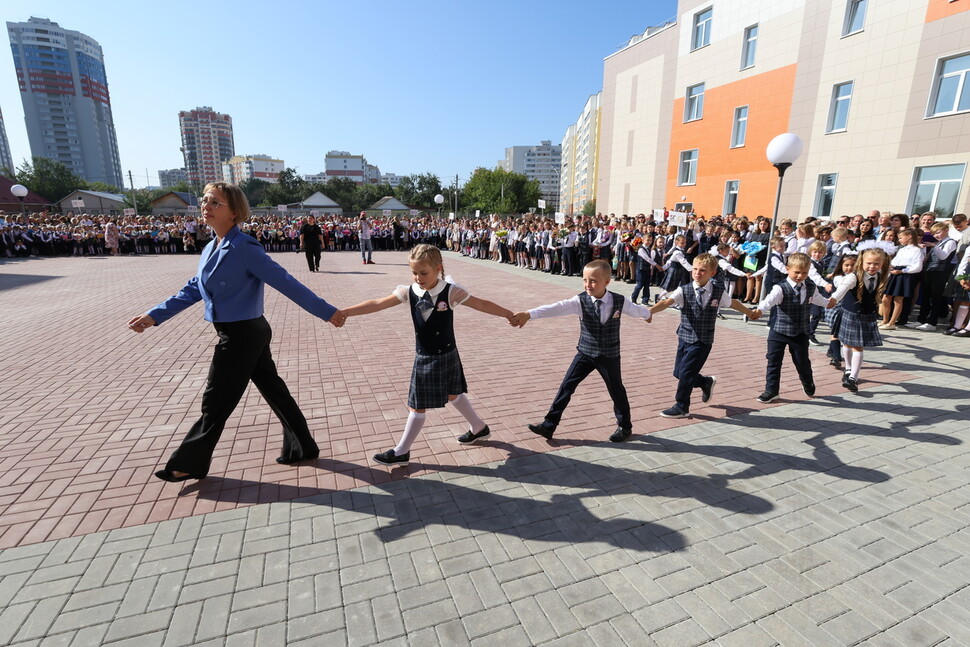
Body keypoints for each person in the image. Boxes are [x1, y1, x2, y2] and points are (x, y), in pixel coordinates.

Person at [127, 183, 346, 483]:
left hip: (243, 336)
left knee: (215, 400)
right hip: (243, 332)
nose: (206, 206)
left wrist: (327, 312)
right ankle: (303, 446)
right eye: (205, 200)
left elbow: (286, 282)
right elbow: (195, 288)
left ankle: (188, 463)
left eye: (215, 203)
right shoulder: (210, 247)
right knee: (275, 392)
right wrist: (155, 315)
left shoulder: (244, 247)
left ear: (234, 212)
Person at [341, 244, 515, 465]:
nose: (418, 277)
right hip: (424, 356)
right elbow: (377, 303)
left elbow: (480, 303)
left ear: (438, 268)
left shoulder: (451, 291)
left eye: (423, 273)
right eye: (414, 272)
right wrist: (346, 312)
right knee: (453, 394)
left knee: (418, 405)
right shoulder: (409, 291)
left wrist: (508, 314)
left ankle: (401, 451)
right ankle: (479, 428)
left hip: (446, 354)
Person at [510, 259, 653, 442]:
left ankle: (625, 427)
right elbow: (556, 308)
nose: (588, 284)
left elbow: (636, 310)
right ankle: (549, 425)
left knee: (616, 390)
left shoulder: (619, 300)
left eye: (593, 280)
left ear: (607, 282)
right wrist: (529, 314)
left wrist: (648, 315)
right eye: (585, 280)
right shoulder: (579, 300)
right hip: (585, 352)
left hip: (609, 355)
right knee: (567, 386)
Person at [649, 254, 758, 418]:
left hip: (703, 340)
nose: (697, 273)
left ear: (712, 273)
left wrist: (749, 312)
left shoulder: (718, 292)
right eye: (695, 269)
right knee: (679, 373)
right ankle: (705, 382)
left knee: (685, 373)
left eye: (703, 270)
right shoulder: (683, 290)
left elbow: (733, 303)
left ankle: (681, 406)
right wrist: (647, 312)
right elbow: (666, 302)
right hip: (685, 337)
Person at [749, 253, 836, 402]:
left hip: (800, 332)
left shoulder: (810, 286)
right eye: (796, 272)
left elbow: (818, 299)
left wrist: (828, 303)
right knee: (773, 361)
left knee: (802, 361)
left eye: (804, 273)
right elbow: (768, 301)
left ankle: (807, 381)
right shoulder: (780, 288)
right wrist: (759, 310)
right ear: (788, 269)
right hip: (779, 331)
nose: (800, 276)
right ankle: (771, 390)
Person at [831, 247, 889, 392]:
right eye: (869, 263)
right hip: (850, 314)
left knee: (857, 346)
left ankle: (853, 378)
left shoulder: (881, 276)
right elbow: (842, 289)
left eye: (876, 264)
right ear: (861, 262)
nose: (872, 267)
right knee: (847, 343)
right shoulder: (853, 276)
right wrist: (833, 299)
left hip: (866, 315)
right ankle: (849, 369)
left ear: (882, 264)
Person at [880, 228, 923, 330]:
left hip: (905, 274)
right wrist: (888, 266)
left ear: (909, 236)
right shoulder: (902, 249)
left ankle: (892, 322)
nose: (899, 240)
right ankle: (885, 319)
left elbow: (917, 267)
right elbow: (895, 261)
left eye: (901, 237)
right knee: (886, 297)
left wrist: (902, 271)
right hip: (895, 273)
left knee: (898, 299)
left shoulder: (917, 250)